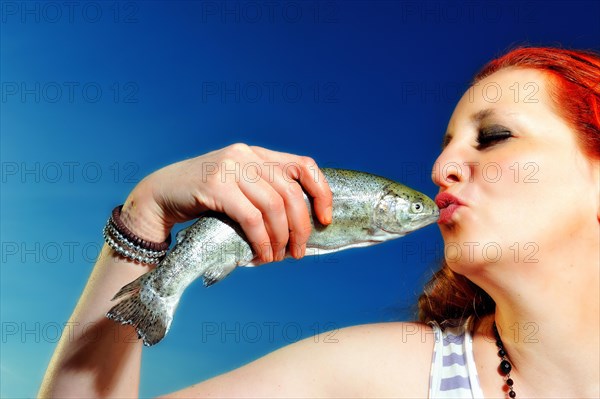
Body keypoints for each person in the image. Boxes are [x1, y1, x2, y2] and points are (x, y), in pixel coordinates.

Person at [39, 47, 599, 398]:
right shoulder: (380, 371)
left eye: (494, 137)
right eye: (445, 144)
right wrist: (146, 213)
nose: (441, 168)